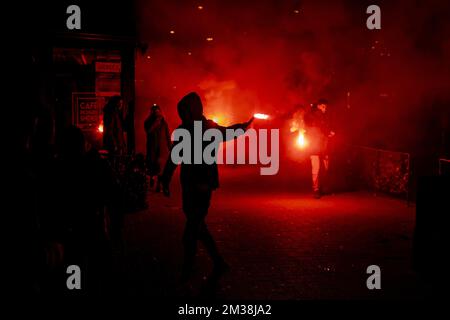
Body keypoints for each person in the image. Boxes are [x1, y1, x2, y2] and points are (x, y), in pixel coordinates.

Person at [160, 92, 254, 282]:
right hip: (196, 184)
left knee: (193, 226)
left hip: (200, 184)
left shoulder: (196, 128)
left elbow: (229, 132)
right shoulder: (200, 128)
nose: (183, 114)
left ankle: (189, 266)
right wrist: (244, 127)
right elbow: (174, 157)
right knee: (197, 223)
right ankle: (217, 261)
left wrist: (244, 126)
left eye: (185, 111)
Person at [304, 99, 335, 198]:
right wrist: (328, 133)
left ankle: (319, 189)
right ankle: (317, 189)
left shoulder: (323, 116)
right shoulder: (315, 116)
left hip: (322, 146)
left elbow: (323, 128)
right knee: (318, 169)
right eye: (323, 107)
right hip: (316, 146)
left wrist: (328, 133)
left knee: (323, 168)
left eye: (325, 107)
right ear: (318, 106)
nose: (325, 109)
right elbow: (319, 128)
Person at [144, 104, 171, 191]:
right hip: (152, 147)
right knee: (152, 165)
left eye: (158, 111)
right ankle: (152, 178)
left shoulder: (164, 122)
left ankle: (159, 185)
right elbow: (148, 131)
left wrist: (170, 146)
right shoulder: (148, 122)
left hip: (162, 148)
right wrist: (155, 123)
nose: (157, 113)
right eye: (155, 111)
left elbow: (167, 135)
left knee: (161, 167)